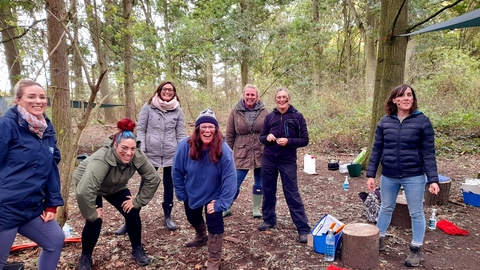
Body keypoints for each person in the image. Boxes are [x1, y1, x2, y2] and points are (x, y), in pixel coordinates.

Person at [366, 84, 440, 267]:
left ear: (413, 99)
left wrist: (433, 179)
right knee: (385, 207)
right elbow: (376, 150)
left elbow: (428, 152)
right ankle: (379, 239)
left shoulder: (422, 121)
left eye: (409, 95)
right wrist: (370, 175)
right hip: (389, 174)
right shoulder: (384, 122)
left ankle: (416, 249)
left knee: (416, 212)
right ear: (394, 100)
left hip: (414, 175)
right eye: (402, 96)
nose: (406, 98)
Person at [74, 118, 161, 269]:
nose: (128, 153)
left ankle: (137, 249)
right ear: (115, 145)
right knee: (95, 220)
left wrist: (138, 201)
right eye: (124, 148)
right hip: (91, 185)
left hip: (116, 185)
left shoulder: (137, 155)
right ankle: (85, 256)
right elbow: (85, 190)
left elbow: (153, 179)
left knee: (132, 211)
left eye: (132, 149)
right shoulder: (101, 159)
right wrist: (92, 213)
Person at [0, 79, 65, 270]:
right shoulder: (7, 126)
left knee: (55, 240)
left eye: (42, 97)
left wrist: (52, 204)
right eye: (32, 96)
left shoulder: (45, 129)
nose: (38, 101)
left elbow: (51, 167)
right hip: (6, 209)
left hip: (31, 207)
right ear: (18, 100)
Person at [115, 80, 185, 235]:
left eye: (171, 90)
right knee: (146, 183)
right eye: (165, 89)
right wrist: (141, 149)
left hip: (170, 153)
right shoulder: (148, 107)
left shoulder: (178, 110)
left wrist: (182, 152)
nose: (167, 92)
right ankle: (131, 218)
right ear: (159, 90)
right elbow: (141, 128)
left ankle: (168, 216)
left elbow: (180, 133)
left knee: (169, 184)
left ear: (174, 93)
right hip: (150, 153)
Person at [172, 108, 236, 270]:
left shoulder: (224, 149)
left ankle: (214, 258)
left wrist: (222, 202)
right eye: (203, 127)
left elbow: (230, 178)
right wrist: (181, 193)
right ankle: (201, 235)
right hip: (192, 190)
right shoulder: (184, 146)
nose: (207, 130)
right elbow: (177, 171)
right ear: (197, 129)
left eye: (211, 127)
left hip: (215, 192)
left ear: (215, 130)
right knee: (192, 216)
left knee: (214, 221)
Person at [257, 88, 311, 244]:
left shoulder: (297, 117)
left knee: (292, 193)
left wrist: (288, 141)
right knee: (268, 190)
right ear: (275, 100)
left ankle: (303, 228)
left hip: (287, 160)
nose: (282, 100)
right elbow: (261, 138)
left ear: (289, 99)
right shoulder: (269, 117)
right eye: (279, 97)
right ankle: (269, 220)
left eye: (284, 97)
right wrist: (267, 137)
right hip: (268, 159)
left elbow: (305, 140)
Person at [224, 84, 268, 218]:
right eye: (247, 94)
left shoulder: (265, 111)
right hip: (241, 153)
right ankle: (227, 206)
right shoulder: (235, 111)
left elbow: (270, 131)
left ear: (257, 96)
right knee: (234, 181)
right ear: (244, 95)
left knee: (259, 181)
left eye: (252, 95)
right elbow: (230, 134)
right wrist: (227, 153)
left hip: (260, 152)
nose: (250, 97)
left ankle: (256, 208)